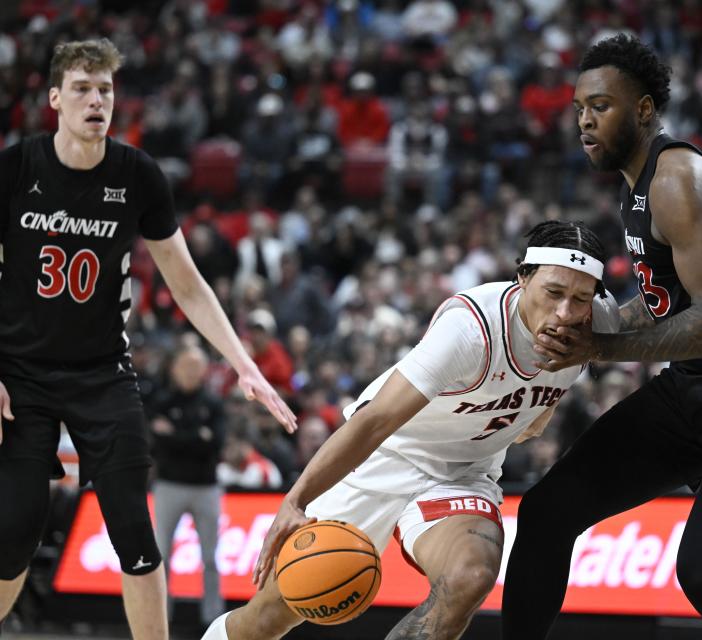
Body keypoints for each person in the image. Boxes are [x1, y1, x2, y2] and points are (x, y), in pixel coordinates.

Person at [501, 34, 702, 640]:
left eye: (600, 106)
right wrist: (595, 325)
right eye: (578, 109)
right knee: (546, 512)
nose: (584, 121)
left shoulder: (675, 178)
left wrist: (602, 348)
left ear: (645, 110)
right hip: (692, 390)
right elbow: (661, 304)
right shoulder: (637, 187)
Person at [0, 39, 297, 640]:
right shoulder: (16, 167)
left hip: (102, 373)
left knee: (135, 532)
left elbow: (187, 284)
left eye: (106, 89)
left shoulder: (137, 175)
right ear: (54, 98)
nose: (96, 100)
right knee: (15, 533)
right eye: (82, 88)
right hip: (20, 373)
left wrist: (243, 364)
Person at [201, 220, 619, 640]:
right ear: (523, 278)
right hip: (383, 454)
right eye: (553, 293)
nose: (565, 312)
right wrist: (296, 500)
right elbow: (375, 422)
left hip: (462, 474)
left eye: (580, 298)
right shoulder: (471, 329)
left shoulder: (597, 326)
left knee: (470, 577)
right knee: (271, 617)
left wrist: (533, 415)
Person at [150, 345, 226, 630]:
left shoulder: (213, 403)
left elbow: (215, 444)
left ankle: (213, 619)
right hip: (169, 484)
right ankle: (160, 617)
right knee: (161, 555)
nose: (191, 372)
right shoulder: (163, 400)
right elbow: (157, 442)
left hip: (206, 487)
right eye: (186, 366)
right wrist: (196, 437)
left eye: (196, 366)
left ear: (204, 370)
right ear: (175, 368)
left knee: (211, 557)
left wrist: (176, 435)